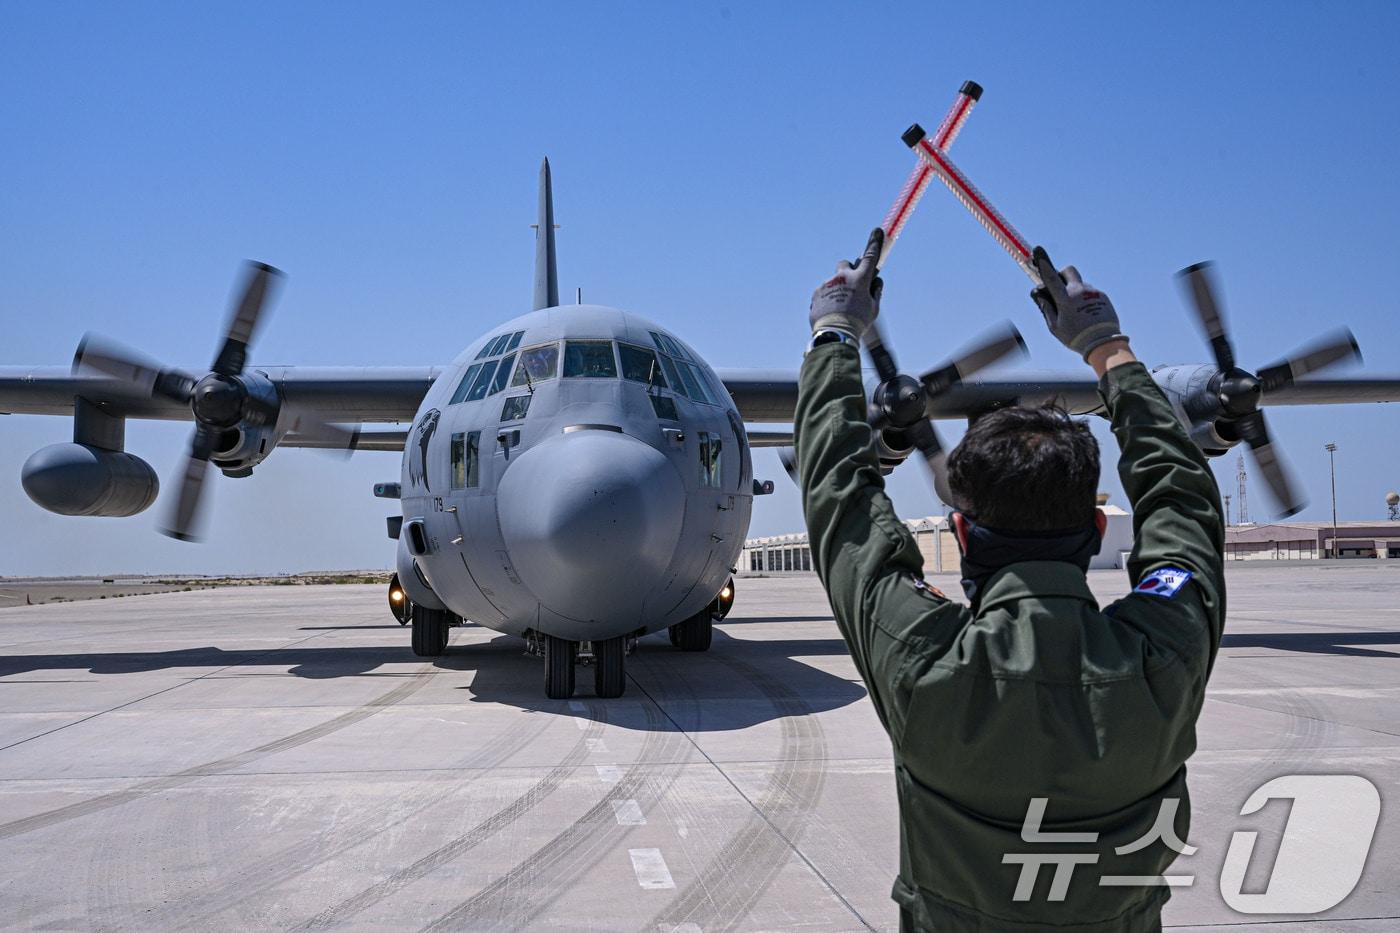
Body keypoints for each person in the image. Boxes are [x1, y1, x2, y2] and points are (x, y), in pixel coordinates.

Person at [795, 228, 1225, 932]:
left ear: (963, 536)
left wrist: (836, 332)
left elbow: (841, 499)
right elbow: (1182, 500)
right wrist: (1108, 348)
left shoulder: (921, 658)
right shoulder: (1165, 654)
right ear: (1094, 528)